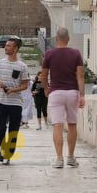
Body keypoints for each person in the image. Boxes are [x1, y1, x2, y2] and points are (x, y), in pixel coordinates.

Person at [39, 27, 85, 169]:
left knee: (57, 125)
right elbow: (81, 76)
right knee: (72, 124)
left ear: (57, 39)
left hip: (56, 93)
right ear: (68, 39)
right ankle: (70, 157)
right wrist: (82, 95)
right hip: (72, 92)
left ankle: (59, 159)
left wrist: (47, 89)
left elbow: (43, 75)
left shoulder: (49, 54)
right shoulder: (76, 53)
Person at [0, 37, 30, 164]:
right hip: (1, 101)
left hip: (15, 103)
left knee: (13, 130)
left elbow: (25, 85)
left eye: (9, 46)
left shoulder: (22, 66)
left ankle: (8, 153)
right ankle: (4, 148)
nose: (6, 47)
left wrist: (13, 90)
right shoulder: (0, 63)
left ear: (16, 48)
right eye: (6, 45)